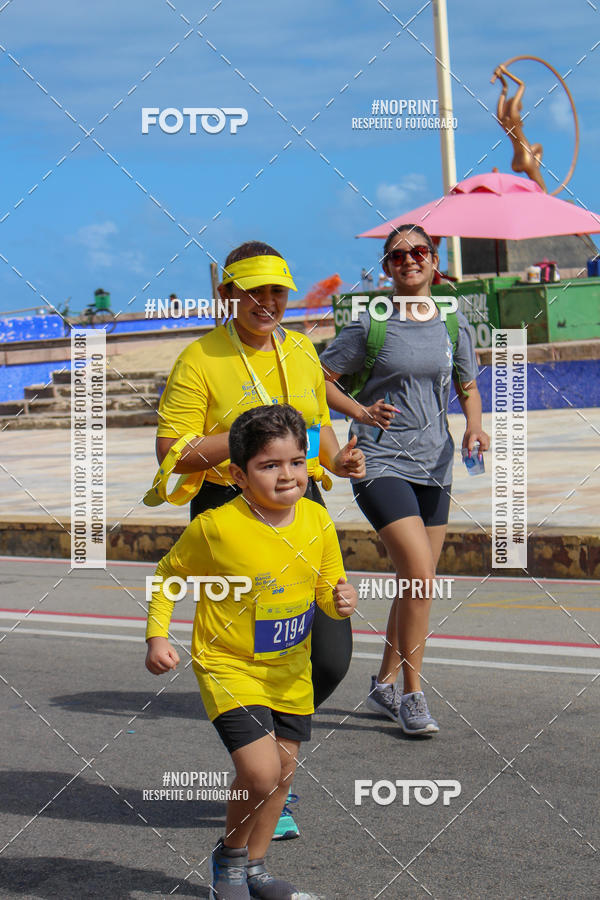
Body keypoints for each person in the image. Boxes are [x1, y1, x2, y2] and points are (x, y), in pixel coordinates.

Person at [153, 240, 365, 836]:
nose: (268, 302)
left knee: (329, 653)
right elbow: (172, 454)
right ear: (228, 295)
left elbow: (311, 433)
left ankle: (267, 759)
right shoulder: (199, 358)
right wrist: (245, 438)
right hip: (228, 504)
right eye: (254, 292)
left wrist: (336, 461)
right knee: (246, 646)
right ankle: (265, 772)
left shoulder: (300, 350)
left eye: (277, 291)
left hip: (301, 504)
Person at [145, 404, 357, 900]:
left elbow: (329, 588)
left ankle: (256, 869)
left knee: (282, 773)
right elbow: (168, 577)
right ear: (239, 475)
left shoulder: (317, 521)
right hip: (228, 665)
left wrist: (340, 601)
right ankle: (230, 863)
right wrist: (158, 635)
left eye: (297, 462)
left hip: (290, 669)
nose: (288, 476)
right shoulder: (217, 527)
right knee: (259, 772)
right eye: (270, 465)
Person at [320, 224, 489, 735]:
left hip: (436, 466)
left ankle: (383, 682)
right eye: (398, 256)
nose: (409, 260)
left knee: (414, 582)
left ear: (435, 260)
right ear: (387, 267)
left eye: (419, 252)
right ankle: (413, 694)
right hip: (379, 462)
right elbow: (317, 381)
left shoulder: (454, 324)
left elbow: (467, 386)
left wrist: (475, 429)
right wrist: (360, 412)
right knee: (419, 573)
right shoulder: (370, 325)